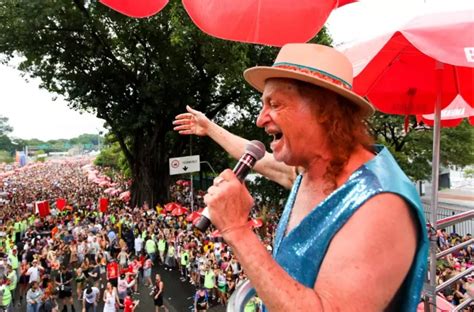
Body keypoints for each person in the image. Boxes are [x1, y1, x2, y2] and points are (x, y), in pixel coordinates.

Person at [189, 43, 428, 310]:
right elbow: (259, 159)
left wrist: (237, 230)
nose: (260, 119)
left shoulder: (381, 205)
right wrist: (210, 128)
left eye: (274, 104)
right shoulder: (312, 171)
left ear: (324, 111)